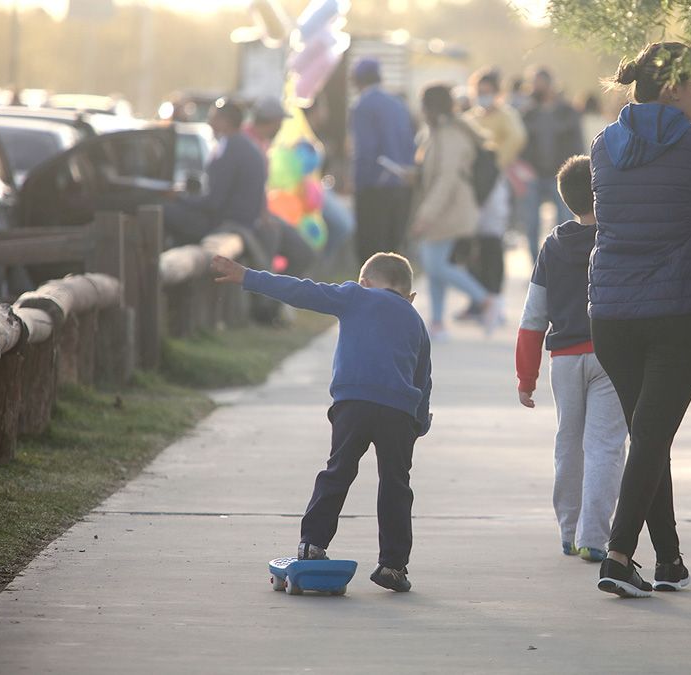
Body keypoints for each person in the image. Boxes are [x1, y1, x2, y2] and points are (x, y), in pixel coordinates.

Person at [588, 42, 691, 598]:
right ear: (673, 87)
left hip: (610, 315)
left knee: (649, 435)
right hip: (681, 313)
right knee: (651, 436)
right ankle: (618, 555)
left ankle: (670, 559)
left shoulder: (604, 145)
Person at [209, 251, 432, 593]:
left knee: (338, 471)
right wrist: (419, 423)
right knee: (395, 485)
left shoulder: (354, 296)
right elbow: (423, 378)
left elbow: (302, 291)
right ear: (410, 296)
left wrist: (248, 277)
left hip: (352, 403)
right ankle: (392, 565)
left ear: (364, 283)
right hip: (398, 411)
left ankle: (312, 544)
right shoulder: (416, 320)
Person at [516, 155, 627, 564]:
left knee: (568, 444)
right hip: (611, 354)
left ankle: (568, 531)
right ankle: (594, 537)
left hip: (563, 359)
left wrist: (525, 377)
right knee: (605, 447)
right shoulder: (618, 239)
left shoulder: (553, 246)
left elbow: (533, 318)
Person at [410, 84, 501, 339]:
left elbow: (446, 179)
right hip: (448, 209)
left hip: (450, 210)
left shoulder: (450, 135)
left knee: (435, 264)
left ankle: (485, 300)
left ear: (430, 107)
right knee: (436, 265)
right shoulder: (442, 131)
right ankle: (437, 323)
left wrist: (425, 215)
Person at [457, 68, 527, 320]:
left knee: (491, 242)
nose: (482, 97)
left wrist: (494, 163)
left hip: (494, 184)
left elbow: (517, 138)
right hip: (470, 186)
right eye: (479, 92)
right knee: (470, 244)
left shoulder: (506, 116)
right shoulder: (469, 117)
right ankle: (476, 300)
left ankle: (494, 300)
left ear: (497, 94)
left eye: (487, 93)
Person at [163, 98, 267, 246]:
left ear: (225, 122)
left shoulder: (230, 148)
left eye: (213, 118)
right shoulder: (245, 145)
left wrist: (178, 196)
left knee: (163, 209)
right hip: (244, 221)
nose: (209, 123)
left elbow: (212, 202)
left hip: (228, 224)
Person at [349, 58, 417, 264]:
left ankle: (371, 294)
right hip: (401, 183)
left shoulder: (362, 106)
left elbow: (365, 149)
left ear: (357, 81)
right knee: (393, 250)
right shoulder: (398, 104)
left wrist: (357, 182)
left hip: (374, 185)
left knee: (371, 252)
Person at [243, 96, 316, 280]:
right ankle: (266, 302)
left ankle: (276, 296)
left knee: (304, 253)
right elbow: (250, 186)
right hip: (250, 216)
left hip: (262, 213)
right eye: (280, 123)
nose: (280, 127)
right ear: (273, 121)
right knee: (267, 250)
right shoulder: (248, 142)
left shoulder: (262, 142)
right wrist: (263, 215)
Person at [517, 68, 584, 263]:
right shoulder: (527, 114)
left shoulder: (568, 112)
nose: (535, 87)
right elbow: (521, 144)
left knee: (564, 222)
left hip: (561, 175)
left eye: (539, 82)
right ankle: (537, 266)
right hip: (533, 176)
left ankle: (562, 262)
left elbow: (577, 143)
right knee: (531, 224)